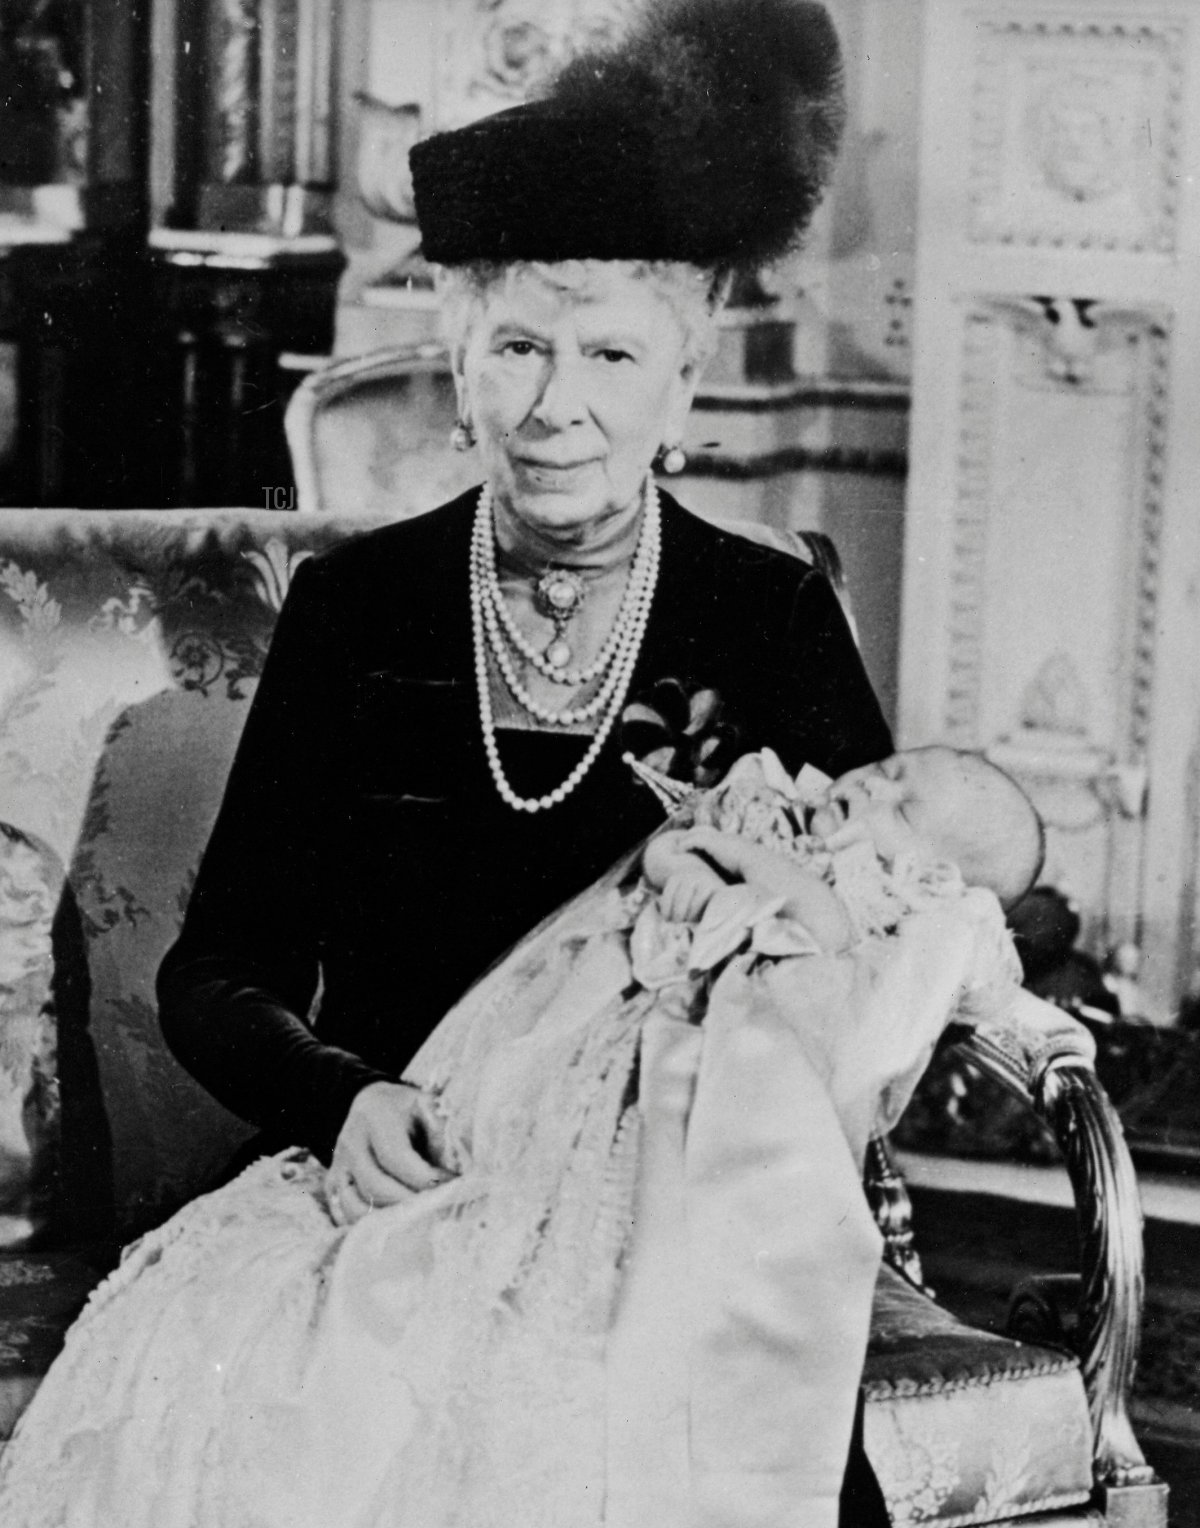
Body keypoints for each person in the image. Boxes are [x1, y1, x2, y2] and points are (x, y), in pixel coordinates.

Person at [0, 1, 900, 1523]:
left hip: (683, 1233)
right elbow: (217, 968)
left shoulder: (773, 614)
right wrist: (341, 1101)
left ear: (684, 381)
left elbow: (877, 952)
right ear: (458, 360)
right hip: (398, 1194)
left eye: (614, 350)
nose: (561, 407)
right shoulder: (363, 609)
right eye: (519, 348)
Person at [0, 745, 1045, 1528]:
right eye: (894, 769)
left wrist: (725, 859)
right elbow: (220, 966)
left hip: (693, 1121)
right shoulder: (782, 809)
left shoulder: (887, 901)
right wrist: (684, 848)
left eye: (909, 808)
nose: (878, 788)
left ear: (938, 876)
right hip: (576, 1052)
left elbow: (815, 929)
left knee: (552, 1312)